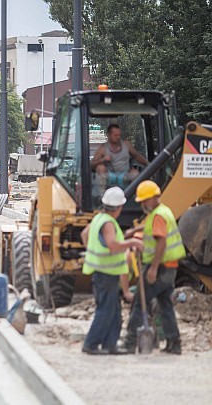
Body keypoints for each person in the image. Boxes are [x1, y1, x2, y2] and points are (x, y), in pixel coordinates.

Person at [125, 180, 186, 355]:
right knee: (165, 304)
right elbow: (153, 227)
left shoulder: (158, 215)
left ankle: (129, 342)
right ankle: (174, 343)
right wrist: (136, 230)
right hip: (170, 267)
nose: (143, 204)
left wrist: (152, 268)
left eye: (145, 200)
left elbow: (161, 241)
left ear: (154, 198)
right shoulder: (163, 211)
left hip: (160, 268)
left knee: (139, 302)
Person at [80, 187, 142, 355]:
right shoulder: (108, 223)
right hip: (106, 274)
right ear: (120, 207)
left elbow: (84, 234)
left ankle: (110, 344)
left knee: (114, 311)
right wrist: (132, 244)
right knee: (106, 310)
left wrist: (95, 250)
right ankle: (91, 344)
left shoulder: (98, 218)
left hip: (104, 273)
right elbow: (113, 246)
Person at [90, 124, 149, 194]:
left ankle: (135, 196)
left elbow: (137, 156)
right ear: (109, 135)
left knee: (135, 173)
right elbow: (91, 165)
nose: (118, 137)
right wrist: (103, 160)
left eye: (119, 135)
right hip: (110, 176)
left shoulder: (126, 145)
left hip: (125, 175)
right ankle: (102, 196)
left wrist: (149, 164)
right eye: (115, 135)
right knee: (100, 168)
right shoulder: (103, 149)